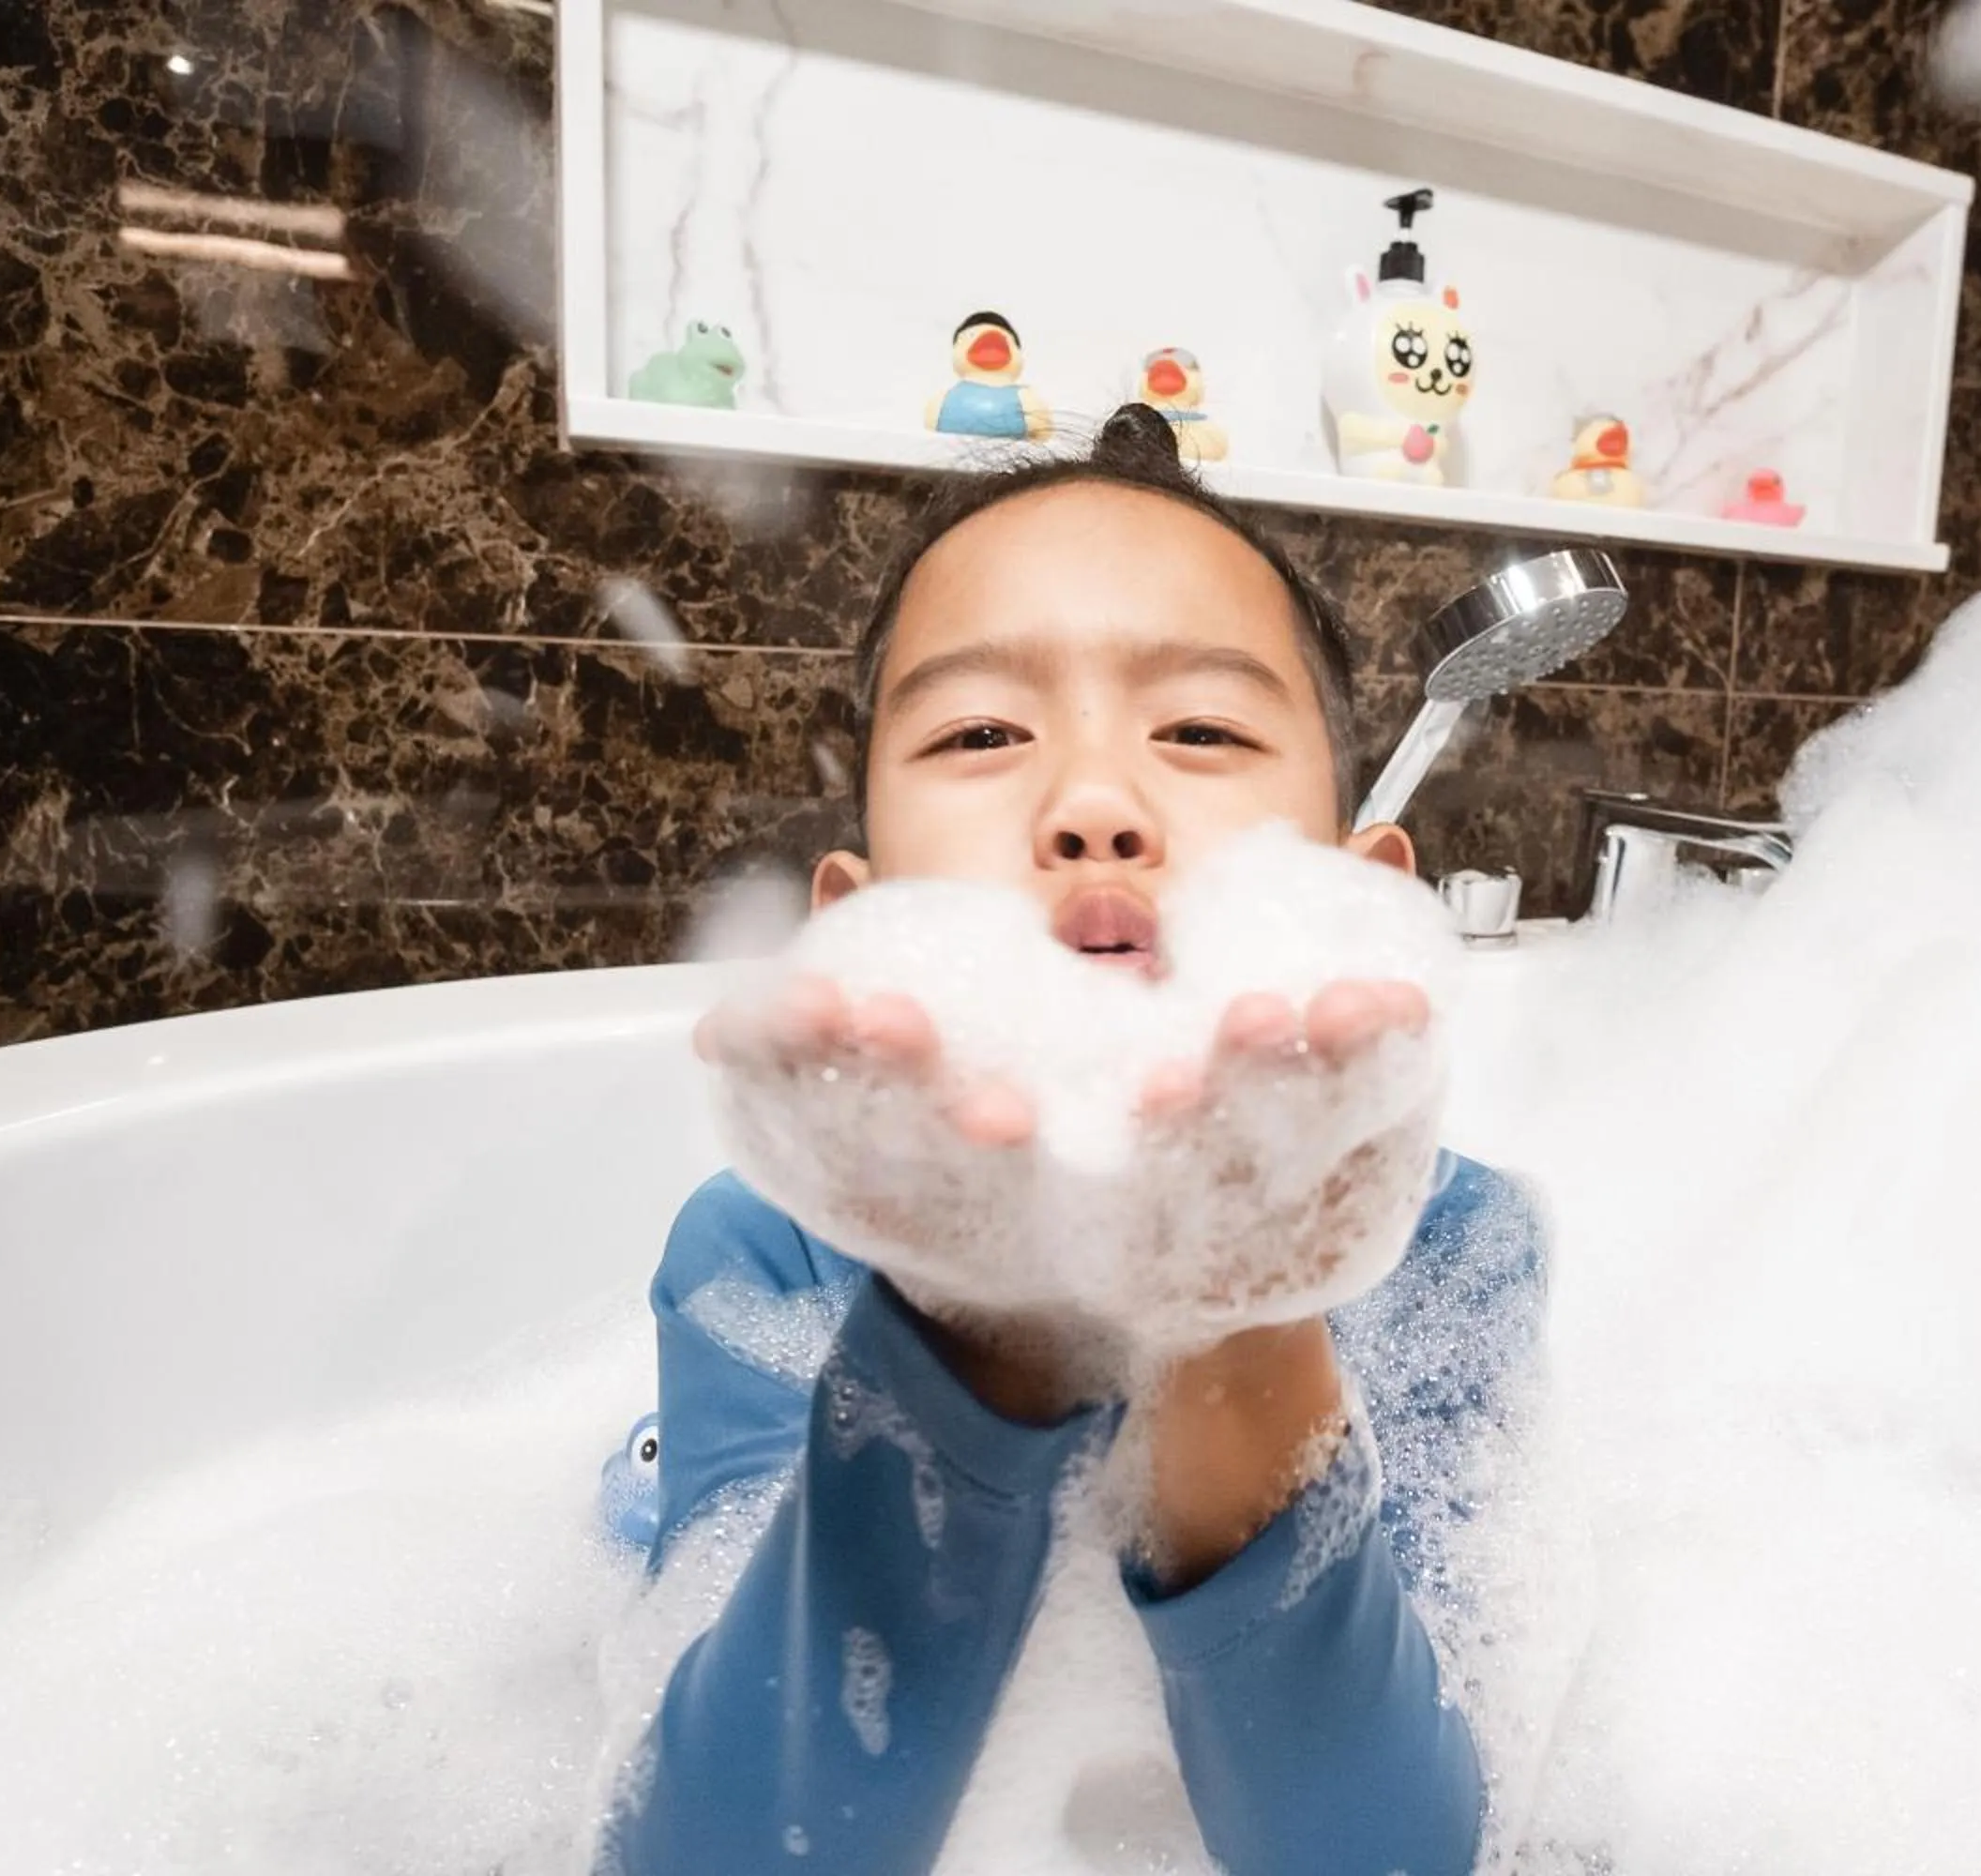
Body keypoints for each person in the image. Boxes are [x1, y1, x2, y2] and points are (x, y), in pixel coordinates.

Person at [608, 405, 1547, 1876]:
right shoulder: (766, 1251)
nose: (1095, 806)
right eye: (983, 733)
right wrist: (978, 1319)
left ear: (1363, 886)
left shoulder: (1447, 1246)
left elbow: (1394, 1854)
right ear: (854, 914)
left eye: (1201, 731)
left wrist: (1232, 1324)